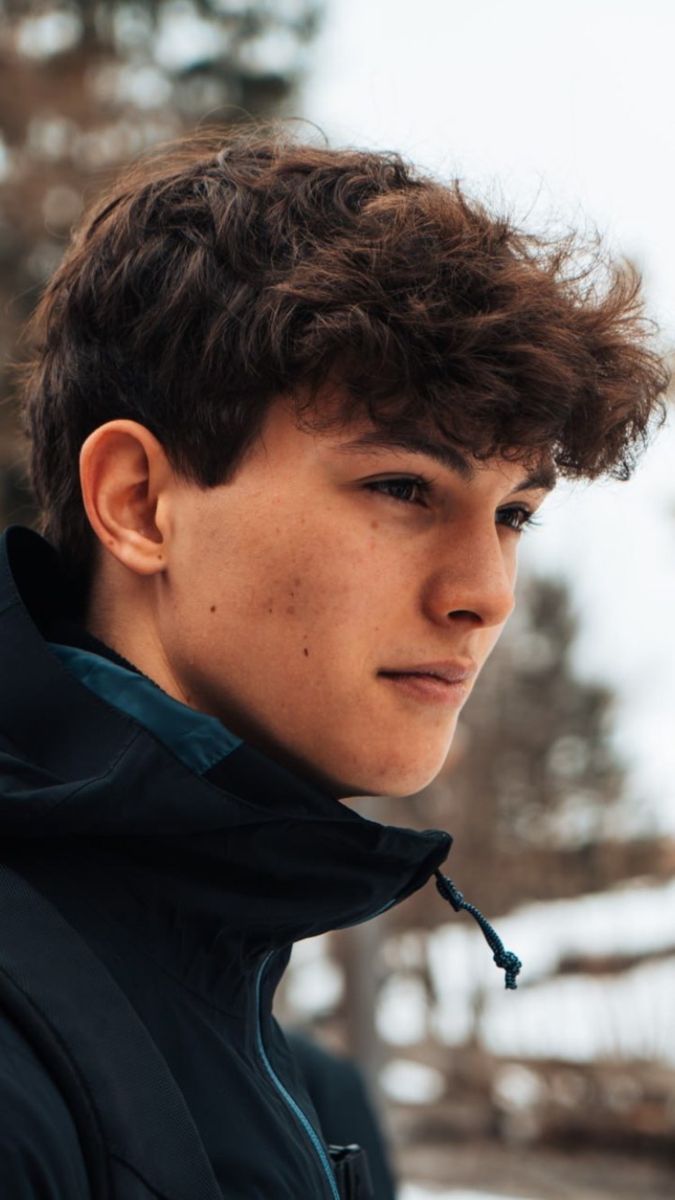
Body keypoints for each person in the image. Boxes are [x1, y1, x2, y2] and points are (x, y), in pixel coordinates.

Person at [0, 129, 667, 1200]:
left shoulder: (223, 989)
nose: (485, 594)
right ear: (138, 502)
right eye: (404, 488)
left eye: (513, 514)